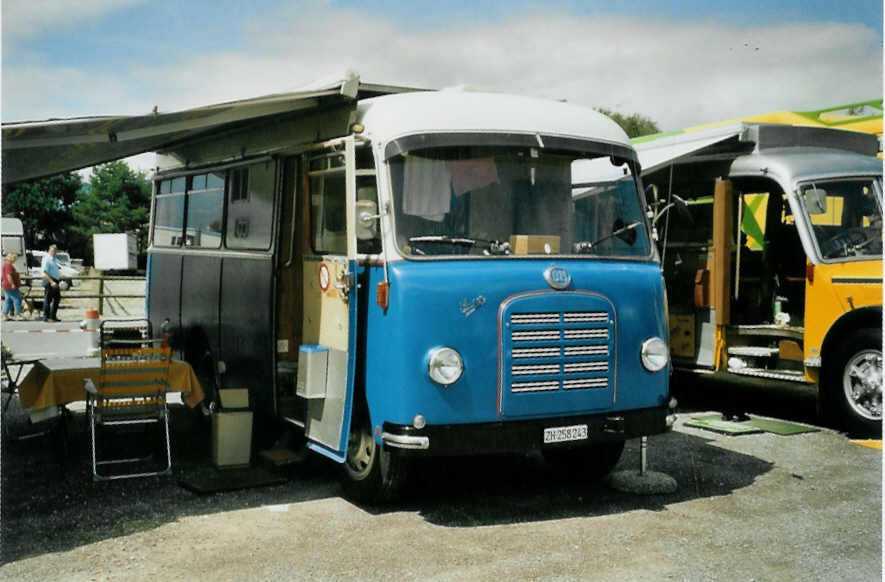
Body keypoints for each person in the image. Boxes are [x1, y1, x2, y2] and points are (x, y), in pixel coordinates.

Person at [41, 244, 62, 322]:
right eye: (52, 251)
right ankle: (45, 317)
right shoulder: (47, 259)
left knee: (57, 298)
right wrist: (51, 282)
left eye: (55, 251)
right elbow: (45, 271)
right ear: (49, 251)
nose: (54, 252)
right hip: (49, 280)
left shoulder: (55, 259)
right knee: (48, 299)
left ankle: (53, 316)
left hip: (55, 280)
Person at [2, 252, 23, 320]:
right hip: (10, 285)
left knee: (8, 300)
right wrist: (12, 284)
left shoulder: (5, 264)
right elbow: (9, 275)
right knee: (17, 298)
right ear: (11, 258)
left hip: (6, 285)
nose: (15, 260)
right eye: (14, 258)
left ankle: (4, 314)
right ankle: (18, 314)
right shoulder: (8, 265)